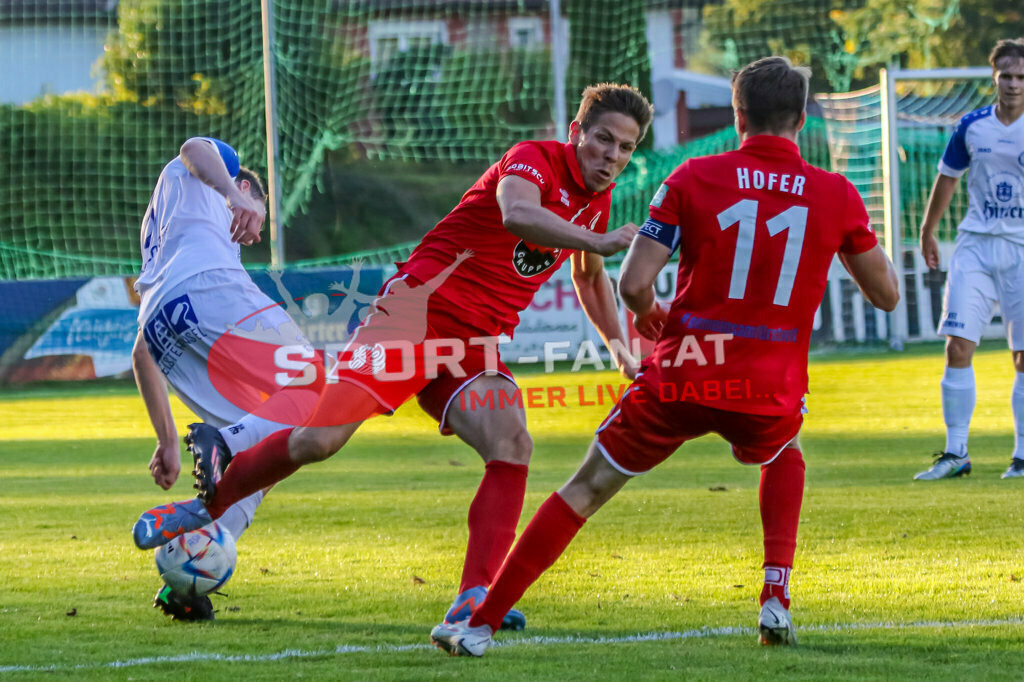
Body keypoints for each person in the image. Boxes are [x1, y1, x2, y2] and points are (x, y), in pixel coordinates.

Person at [131, 84, 656, 630]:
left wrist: (619, 347)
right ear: (576, 132)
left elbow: (590, 280)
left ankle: (476, 597)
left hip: (474, 344)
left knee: (512, 442)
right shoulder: (533, 159)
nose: (612, 157)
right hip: (417, 312)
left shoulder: (600, 204)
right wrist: (594, 242)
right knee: (319, 439)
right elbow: (517, 214)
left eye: (625, 148)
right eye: (603, 140)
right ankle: (203, 509)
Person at [428, 56, 900, 656]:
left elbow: (630, 284)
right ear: (802, 120)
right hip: (768, 384)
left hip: (682, 371)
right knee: (785, 446)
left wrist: (654, 316)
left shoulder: (691, 178)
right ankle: (775, 594)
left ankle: (478, 625)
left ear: (737, 117)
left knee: (585, 489)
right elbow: (886, 296)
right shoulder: (836, 193)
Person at [132, 137, 315, 619]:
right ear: (242, 184)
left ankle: (186, 579)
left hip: (159, 322)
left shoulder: (173, 225)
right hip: (207, 288)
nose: (254, 231)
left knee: (276, 448)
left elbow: (140, 353)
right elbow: (194, 146)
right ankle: (223, 444)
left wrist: (167, 440)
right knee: (320, 387)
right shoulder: (215, 177)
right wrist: (238, 197)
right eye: (259, 212)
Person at [914, 40, 1024, 481]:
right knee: (957, 346)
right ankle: (956, 453)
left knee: (1022, 356)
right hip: (975, 246)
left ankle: (1021, 457)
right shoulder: (971, 126)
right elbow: (947, 178)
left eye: (1021, 77)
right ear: (993, 77)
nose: (1014, 84)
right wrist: (927, 230)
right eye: (1006, 76)